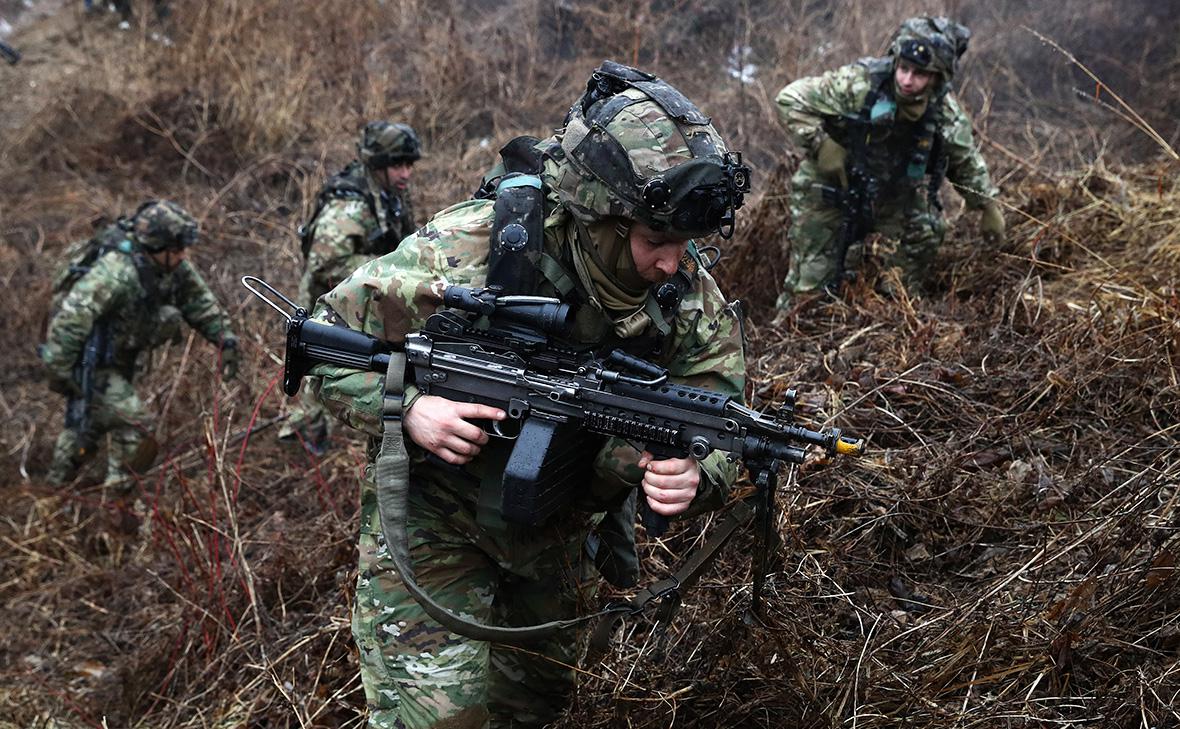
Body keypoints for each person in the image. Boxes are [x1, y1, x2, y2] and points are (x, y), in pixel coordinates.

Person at [308, 62, 749, 728]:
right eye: (655, 241)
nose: (672, 263)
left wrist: (697, 470)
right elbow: (321, 340)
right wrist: (407, 408)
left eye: (686, 244)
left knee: (537, 707)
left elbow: (717, 407)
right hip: (437, 524)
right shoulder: (468, 251)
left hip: (560, 534)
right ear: (598, 218)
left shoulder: (681, 292)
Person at [773, 15, 1004, 312]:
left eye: (919, 74)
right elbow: (790, 99)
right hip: (830, 189)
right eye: (903, 68)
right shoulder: (858, 84)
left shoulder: (943, 112)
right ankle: (794, 327)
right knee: (811, 286)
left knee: (926, 230)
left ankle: (893, 304)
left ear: (937, 78)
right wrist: (822, 145)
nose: (907, 80)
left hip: (890, 194)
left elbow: (965, 160)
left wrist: (987, 206)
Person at [40, 200, 239, 489]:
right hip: (88, 361)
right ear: (159, 247)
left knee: (89, 425)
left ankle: (56, 490)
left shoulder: (171, 264)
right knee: (135, 424)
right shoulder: (115, 273)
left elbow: (199, 301)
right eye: (178, 249)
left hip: (119, 357)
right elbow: (72, 318)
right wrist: (59, 371)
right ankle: (119, 497)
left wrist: (226, 339)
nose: (184, 256)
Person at [278, 120, 422, 454]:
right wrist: (387, 270)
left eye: (409, 165)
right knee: (318, 376)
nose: (406, 173)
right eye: (398, 165)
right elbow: (324, 263)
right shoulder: (350, 204)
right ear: (377, 165)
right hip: (326, 301)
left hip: (361, 295)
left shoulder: (390, 193)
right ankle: (300, 445)